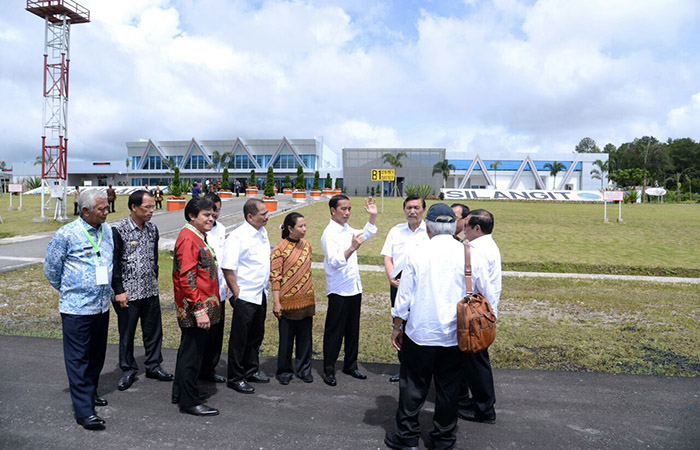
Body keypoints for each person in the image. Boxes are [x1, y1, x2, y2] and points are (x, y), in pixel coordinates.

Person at [385, 203, 466, 450]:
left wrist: (397, 324)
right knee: (449, 389)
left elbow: (404, 296)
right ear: (453, 227)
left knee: (413, 385)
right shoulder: (468, 253)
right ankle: (443, 438)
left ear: (428, 228)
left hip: (421, 332)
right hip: (455, 334)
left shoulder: (418, 253)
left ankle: (407, 437)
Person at [44, 189, 113, 430]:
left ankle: (90, 393)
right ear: (85, 211)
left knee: (96, 355)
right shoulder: (66, 234)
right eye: (102, 209)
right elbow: (52, 269)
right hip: (76, 308)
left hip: (102, 306)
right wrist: (71, 289)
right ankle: (84, 411)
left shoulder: (107, 231)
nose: (107, 212)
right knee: (78, 359)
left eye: (107, 208)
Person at [111, 190, 173, 392]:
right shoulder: (118, 230)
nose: (151, 211)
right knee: (127, 333)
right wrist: (118, 290)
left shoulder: (152, 229)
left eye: (152, 206)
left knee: (154, 332)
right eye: (147, 207)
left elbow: (153, 258)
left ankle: (154, 365)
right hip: (127, 293)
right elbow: (114, 264)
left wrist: (153, 278)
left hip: (149, 289)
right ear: (134, 207)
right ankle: (128, 369)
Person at [172, 196, 222, 417]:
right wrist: (199, 310)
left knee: (190, 353)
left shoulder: (198, 235)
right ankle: (189, 401)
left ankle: (182, 392)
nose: (211, 218)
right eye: (206, 215)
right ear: (192, 216)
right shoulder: (188, 238)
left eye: (213, 214)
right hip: (195, 308)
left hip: (201, 303)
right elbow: (187, 278)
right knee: (192, 356)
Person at [321, 195, 378, 387]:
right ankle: (329, 369)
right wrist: (352, 248)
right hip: (338, 290)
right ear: (332, 210)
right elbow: (335, 262)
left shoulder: (347, 229)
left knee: (353, 330)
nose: (347, 213)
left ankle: (350, 365)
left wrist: (372, 217)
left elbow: (365, 234)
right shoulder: (329, 233)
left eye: (349, 209)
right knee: (334, 332)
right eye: (343, 209)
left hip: (354, 287)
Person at [457, 209, 502, 425]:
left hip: (477, 314)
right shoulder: (488, 245)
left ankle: (485, 409)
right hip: (484, 312)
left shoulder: (476, 250)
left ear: (476, 228)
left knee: (477, 362)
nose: (463, 229)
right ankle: (476, 402)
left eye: (466, 225)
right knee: (473, 360)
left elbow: (482, 285)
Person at [222, 198, 271, 394]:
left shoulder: (262, 232)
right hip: (245, 295)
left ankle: (251, 370)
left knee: (256, 335)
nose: (267, 216)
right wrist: (237, 293)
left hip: (260, 292)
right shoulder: (237, 237)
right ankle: (235, 377)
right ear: (250, 216)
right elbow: (228, 267)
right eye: (263, 214)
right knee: (240, 339)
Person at [381, 195, 428, 383]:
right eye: (409, 207)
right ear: (404, 210)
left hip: (421, 284)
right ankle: (404, 368)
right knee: (399, 325)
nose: (412, 211)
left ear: (423, 210)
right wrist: (391, 277)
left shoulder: (429, 231)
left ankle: (421, 369)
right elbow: (387, 256)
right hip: (398, 282)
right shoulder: (396, 231)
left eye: (416, 207)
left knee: (418, 324)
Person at [270, 212, 316, 385]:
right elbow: (275, 278)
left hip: (306, 300)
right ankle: (284, 371)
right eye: (300, 226)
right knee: (286, 340)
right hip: (286, 302)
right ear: (290, 228)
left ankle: (304, 369)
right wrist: (277, 303)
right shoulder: (279, 249)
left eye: (305, 225)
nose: (304, 229)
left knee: (305, 339)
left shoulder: (307, 246)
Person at [199, 193, 228, 383]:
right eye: (211, 210)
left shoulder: (222, 228)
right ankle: (199, 370)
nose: (214, 215)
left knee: (217, 333)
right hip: (203, 292)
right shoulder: (197, 231)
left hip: (219, 289)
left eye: (217, 210)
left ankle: (210, 368)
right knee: (202, 335)